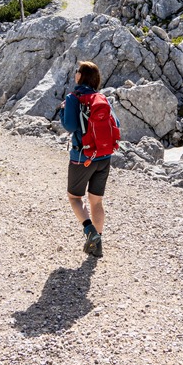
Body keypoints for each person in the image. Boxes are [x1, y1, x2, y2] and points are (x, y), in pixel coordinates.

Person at [59, 60, 116, 258]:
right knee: (96, 201)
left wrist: (63, 110)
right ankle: (97, 246)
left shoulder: (73, 97)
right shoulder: (102, 98)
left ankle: (90, 231)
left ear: (81, 76)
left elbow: (70, 126)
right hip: (104, 156)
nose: (75, 73)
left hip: (82, 156)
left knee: (74, 197)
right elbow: (115, 123)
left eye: (77, 71)